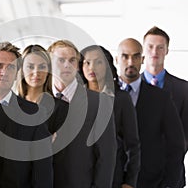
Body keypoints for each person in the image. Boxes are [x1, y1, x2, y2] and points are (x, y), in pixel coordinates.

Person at [116, 38, 185, 188]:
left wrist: (169, 183)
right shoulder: (105, 96)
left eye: (135, 56)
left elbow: (177, 144)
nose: (130, 62)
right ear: (116, 59)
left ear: (142, 59)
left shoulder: (160, 98)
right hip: (112, 180)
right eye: (125, 56)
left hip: (150, 181)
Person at [48, 40, 117, 188]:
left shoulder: (99, 103)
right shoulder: (37, 102)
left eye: (72, 60)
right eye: (61, 60)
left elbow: (107, 157)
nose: (67, 65)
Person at [0, 42, 53, 188]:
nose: (4, 72)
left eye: (11, 67)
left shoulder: (35, 113)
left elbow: (42, 171)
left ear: (16, 74)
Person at [79, 45, 140, 188]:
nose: (91, 67)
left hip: (113, 177)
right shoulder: (74, 99)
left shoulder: (121, 98)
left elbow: (133, 145)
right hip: (79, 176)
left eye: (98, 62)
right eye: (87, 62)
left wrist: (129, 182)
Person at [142, 26, 188, 187]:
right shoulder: (129, 89)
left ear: (167, 51)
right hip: (136, 176)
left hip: (171, 176)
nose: (155, 51)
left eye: (160, 47)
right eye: (150, 46)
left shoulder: (183, 89)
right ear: (143, 49)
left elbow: (185, 136)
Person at [16, 44, 69, 140]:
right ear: (22, 70)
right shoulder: (10, 106)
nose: (36, 73)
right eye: (30, 67)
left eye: (42, 67)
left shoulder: (62, 109)